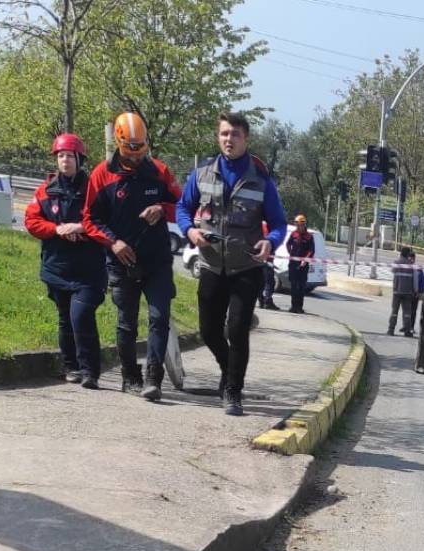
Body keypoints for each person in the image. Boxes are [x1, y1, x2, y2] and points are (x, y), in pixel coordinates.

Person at [176, 112, 288, 416]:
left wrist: (271, 242)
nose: (229, 139)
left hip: (246, 267)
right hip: (212, 265)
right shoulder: (201, 174)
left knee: (237, 329)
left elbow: (278, 223)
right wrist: (189, 230)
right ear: (218, 137)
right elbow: (183, 208)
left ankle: (233, 391)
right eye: (224, 133)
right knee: (209, 330)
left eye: (235, 134)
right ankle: (228, 369)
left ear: (245, 139)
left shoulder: (261, 180)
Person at [82, 111, 182, 401]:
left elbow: (185, 207)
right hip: (121, 261)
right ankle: (130, 376)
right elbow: (90, 219)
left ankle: (154, 377)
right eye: (130, 151)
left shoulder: (160, 171)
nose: (137, 157)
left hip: (157, 259)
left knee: (159, 316)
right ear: (119, 144)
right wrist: (113, 243)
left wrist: (163, 209)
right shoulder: (101, 175)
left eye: (141, 150)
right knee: (127, 322)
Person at [24, 133, 105, 389]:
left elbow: (105, 221)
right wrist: (56, 229)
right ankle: (71, 366)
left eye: (69, 156)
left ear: (79, 159)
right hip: (57, 267)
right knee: (65, 318)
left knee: (80, 315)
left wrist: (80, 228)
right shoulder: (46, 191)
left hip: (88, 269)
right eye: (60, 156)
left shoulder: (94, 190)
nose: (65, 160)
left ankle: (90, 370)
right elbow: (32, 221)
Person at [388, 247, 424, 337]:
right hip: (408, 292)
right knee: (407, 313)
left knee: (394, 312)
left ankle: (391, 330)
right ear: (408, 255)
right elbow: (415, 280)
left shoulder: (396, 263)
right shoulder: (411, 265)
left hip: (397, 291)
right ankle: (407, 331)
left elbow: (392, 271)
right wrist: (416, 290)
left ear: (400, 253)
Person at [286, 214, 315, 313]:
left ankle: (299, 307)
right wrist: (291, 254)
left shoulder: (309, 237)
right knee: (293, 286)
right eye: (296, 225)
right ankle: (293, 306)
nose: (298, 227)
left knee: (301, 286)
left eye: (299, 225)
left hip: (303, 265)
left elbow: (311, 251)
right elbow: (288, 244)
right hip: (293, 264)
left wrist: (305, 260)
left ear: (303, 225)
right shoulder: (293, 234)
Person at [258, 221, 281, 311]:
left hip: (259, 260)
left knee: (261, 282)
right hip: (266, 260)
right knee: (269, 282)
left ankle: (261, 301)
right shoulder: (267, 227)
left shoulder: (259, 225)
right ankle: (267, 301)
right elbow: (268, 243)